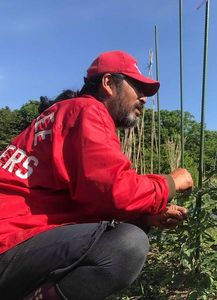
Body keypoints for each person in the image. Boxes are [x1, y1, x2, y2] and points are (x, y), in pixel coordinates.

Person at [0, 50, 194, 300]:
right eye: (137, 87)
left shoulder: (62, 114)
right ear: (108, 84)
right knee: (127, 246)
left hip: (14, 238)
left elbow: (88, 203)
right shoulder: (88, 110)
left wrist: (146, 217)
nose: (144, 99)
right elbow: (116, 192)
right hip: (9, 241)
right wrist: (170, 182)